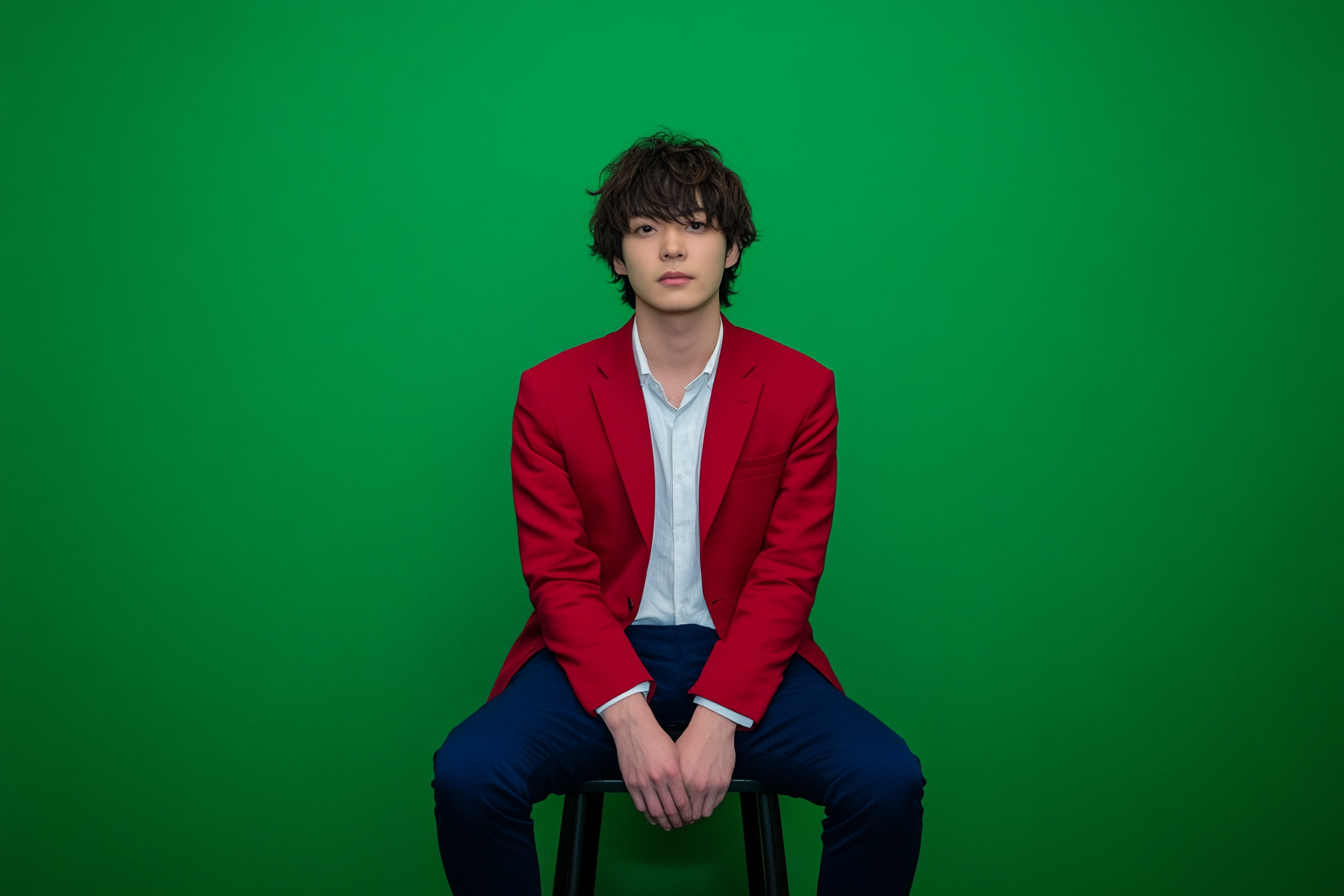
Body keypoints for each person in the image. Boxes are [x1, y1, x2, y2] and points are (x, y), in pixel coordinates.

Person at [432, 132, 924, 895]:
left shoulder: (800, 389)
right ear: (617, 255)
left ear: (730, 251)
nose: (672, 248)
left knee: (887, 780)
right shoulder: (552, 393)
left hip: (746, 655)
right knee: (467, 774)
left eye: (696, 226)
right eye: (645, 228)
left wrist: (719, 716)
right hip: (593, 662)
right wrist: (629, 720)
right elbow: (557, 574)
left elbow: (788, 571)